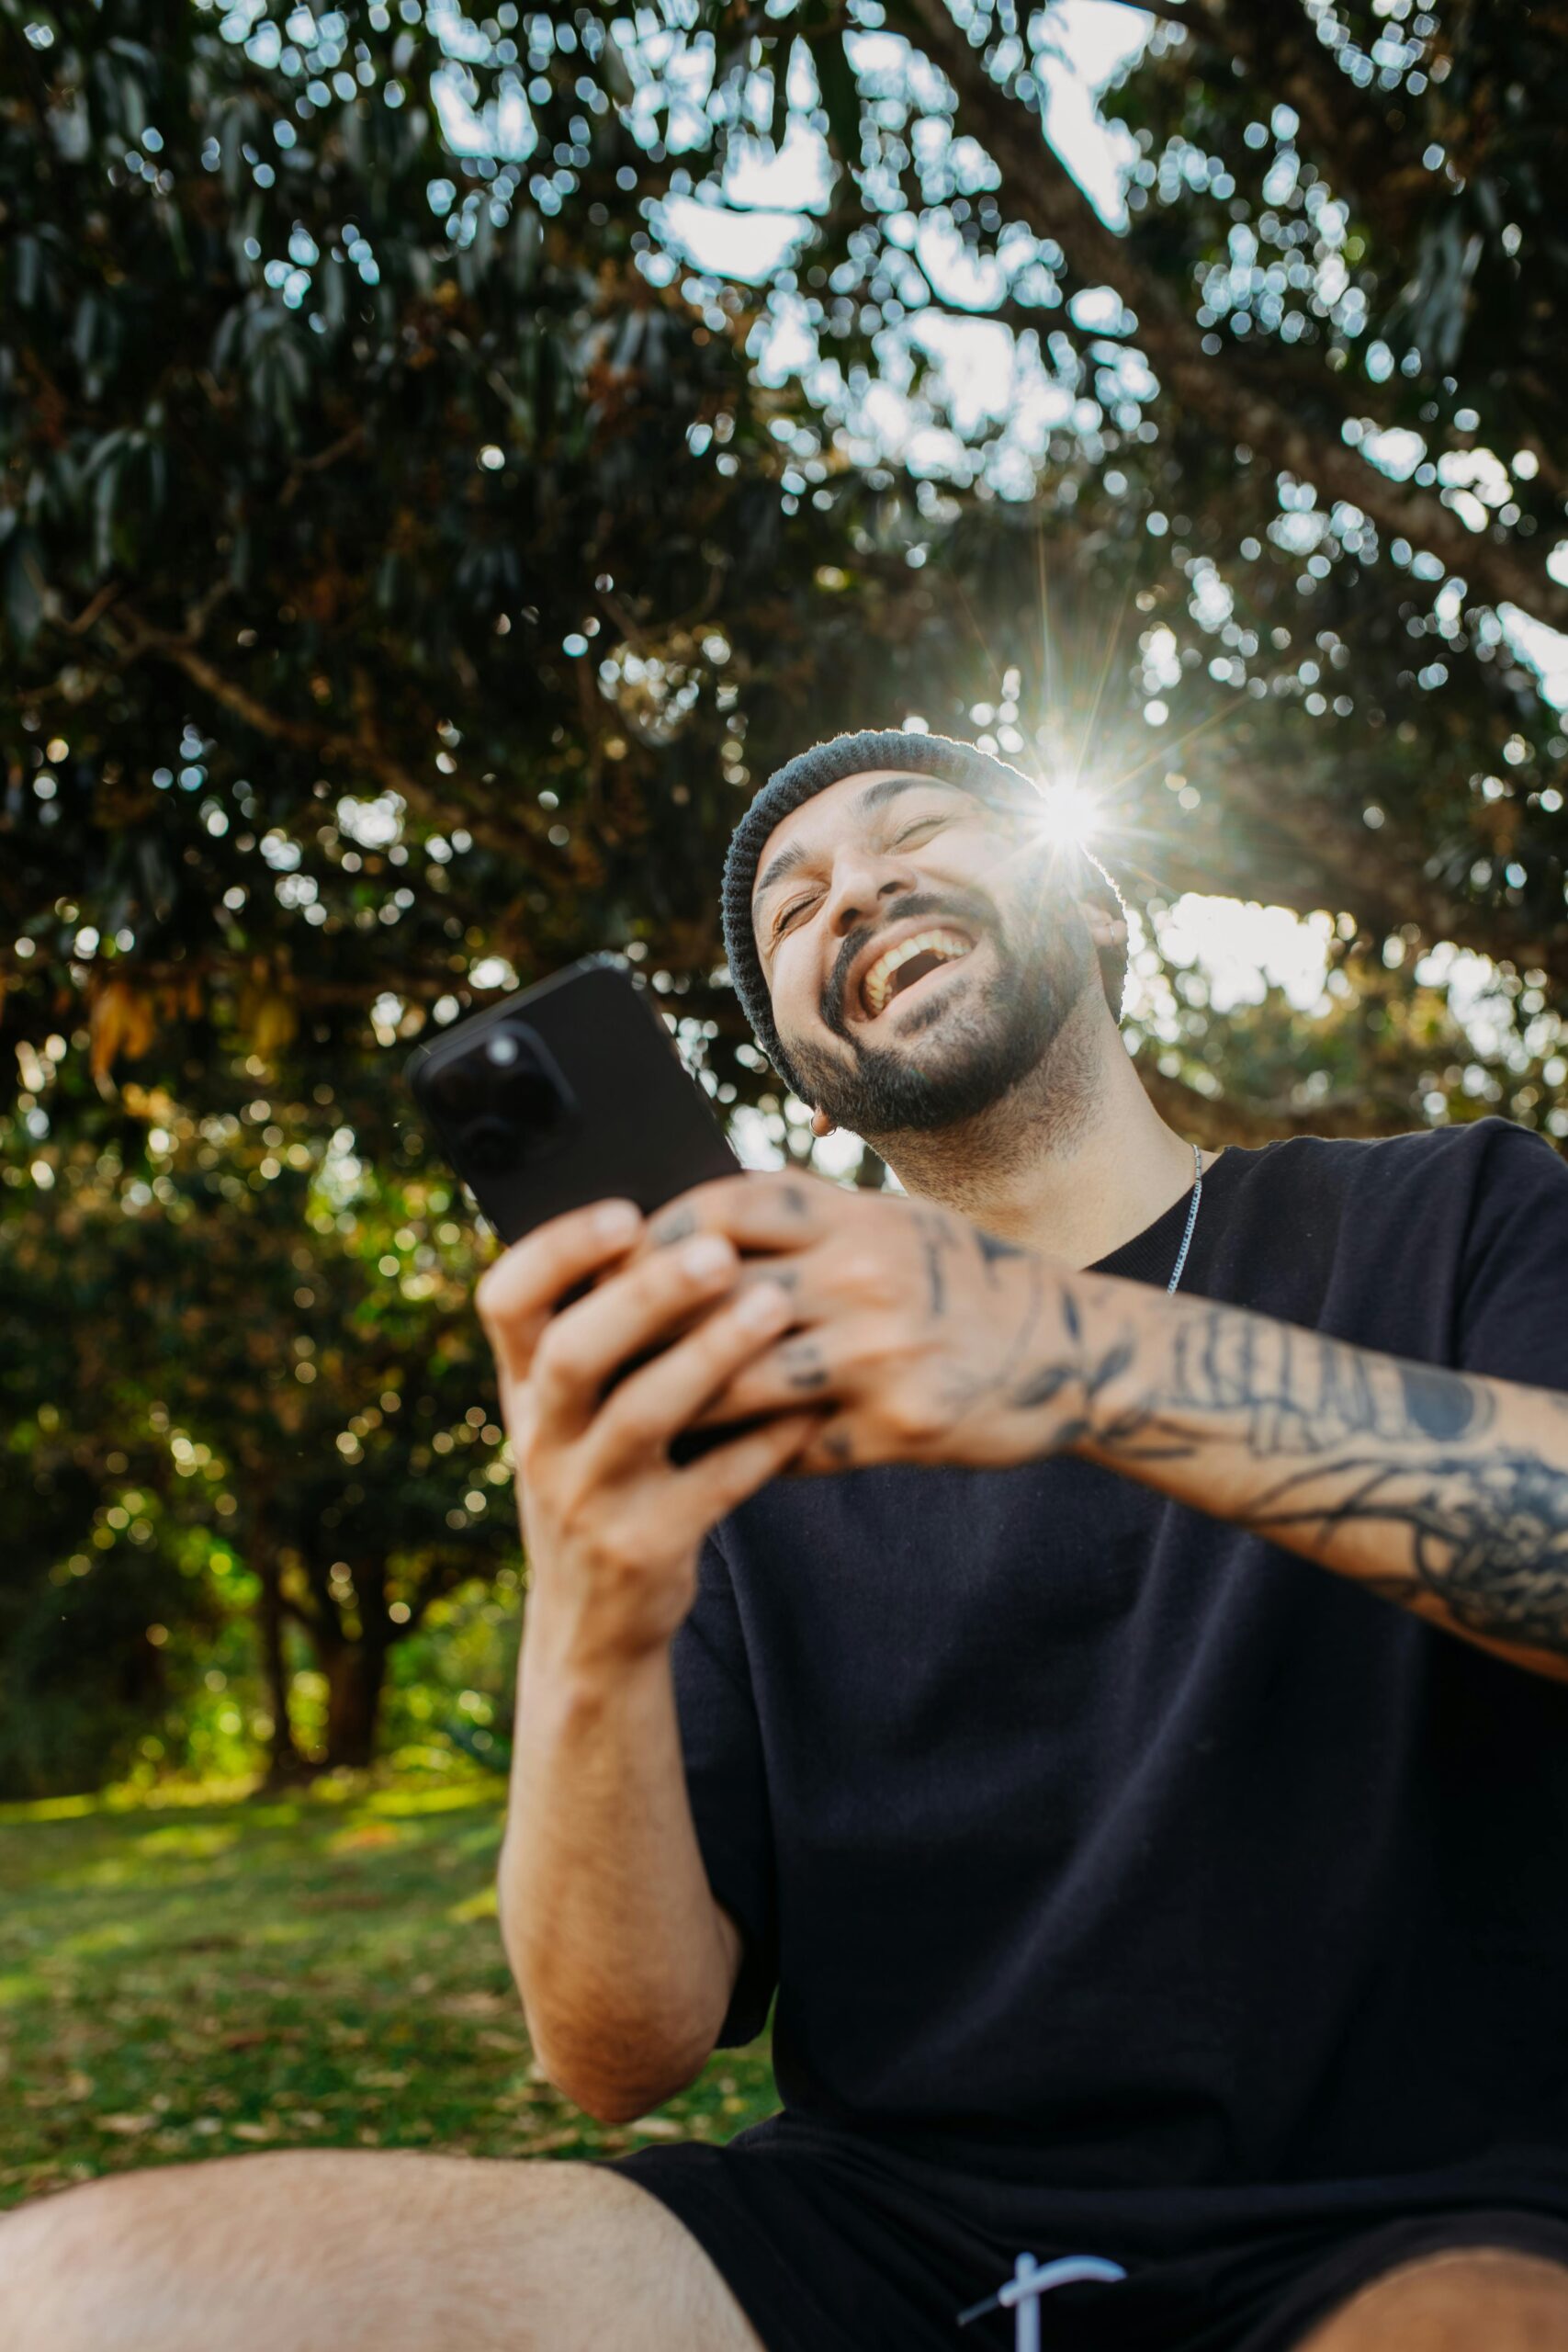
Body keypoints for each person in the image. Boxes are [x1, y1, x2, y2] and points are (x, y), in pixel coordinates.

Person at [5, 728, 1568, 2352]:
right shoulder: (741, 1440)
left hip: (1421, 2218)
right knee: (77, 2299)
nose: (858, 889)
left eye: (919, 833)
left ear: (1096, 914)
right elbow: (618, 2050)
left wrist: (1062, 1350)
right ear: (805, 1066)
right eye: (793, 908)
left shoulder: (1446, 1213)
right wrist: (593, 1609)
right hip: (883, 2237)